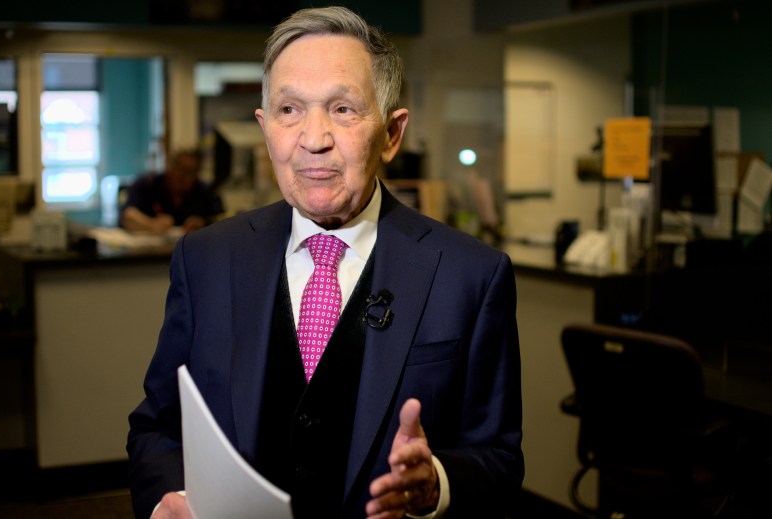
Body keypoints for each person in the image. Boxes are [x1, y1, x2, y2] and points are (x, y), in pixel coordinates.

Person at [126, 6, 523, 519]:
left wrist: (435, 486)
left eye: (342, 109)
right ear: (265, 128)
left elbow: (498, 460)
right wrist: (167, 501)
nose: (313, 140)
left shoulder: (471, 276)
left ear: (392, 134)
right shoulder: (206, 260)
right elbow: (157, 427)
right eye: (290, 110)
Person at [120, 147, 224, 234]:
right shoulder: (147, 184)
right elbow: (128, 215)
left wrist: (203, 224)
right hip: (148, 254)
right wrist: (151, 224)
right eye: (178, 167)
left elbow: (222, 221)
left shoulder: (206, 191)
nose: (181, 175)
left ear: (197, 173)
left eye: (189, 171)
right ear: (168, 165)